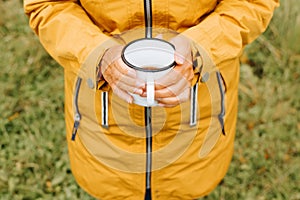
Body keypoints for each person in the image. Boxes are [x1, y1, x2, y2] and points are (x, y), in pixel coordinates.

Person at [24, 0, 279, 199]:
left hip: (197, 120)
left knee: (187, 187)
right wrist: (96, 55)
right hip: (101, 122)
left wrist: (200, 48)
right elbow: (48, 5)